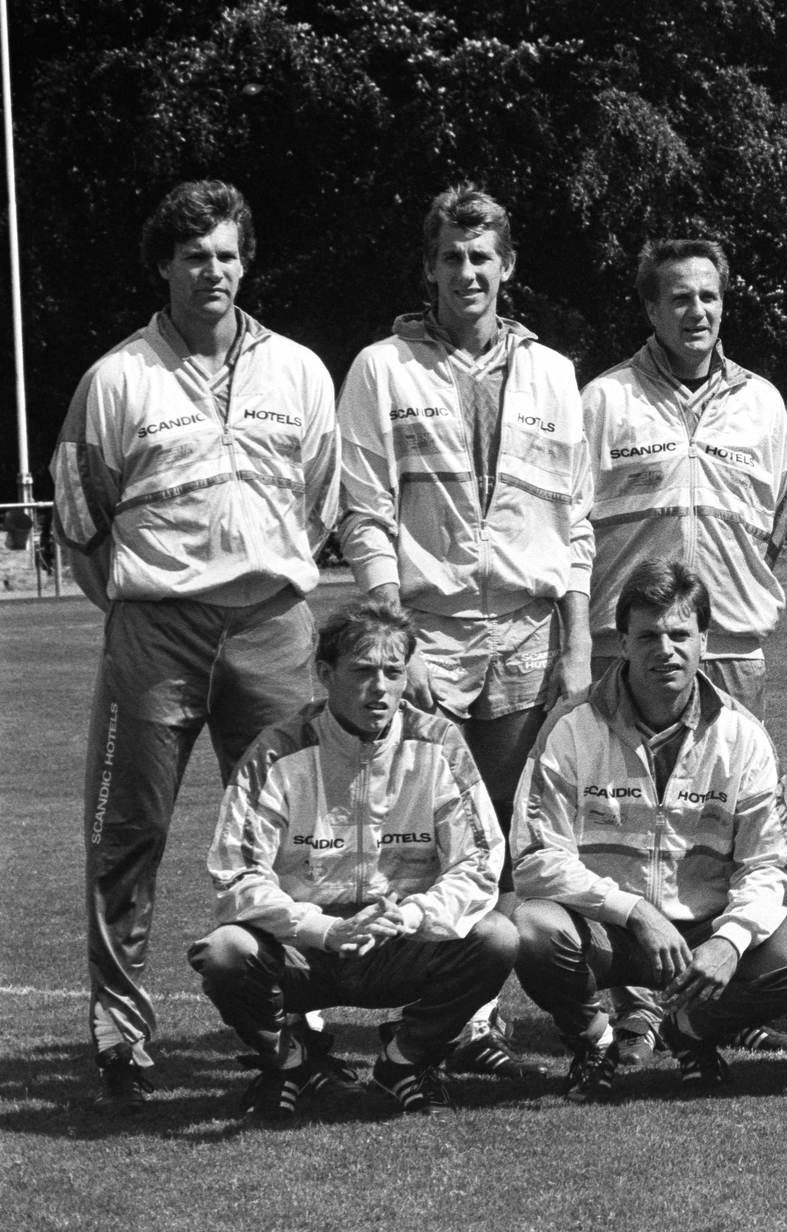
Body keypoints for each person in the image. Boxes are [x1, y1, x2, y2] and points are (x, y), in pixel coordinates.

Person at [51, 179, 338, 1108]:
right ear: (164, 266)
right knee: (129, 836)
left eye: (224, 253)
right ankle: (121, 1038)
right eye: (191, 255)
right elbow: (81, 522)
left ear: (244, 259)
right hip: (156, 633)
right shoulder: (118, 377)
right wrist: (142, 608)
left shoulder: (298, 369)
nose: (210, 270)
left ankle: (298, 1031)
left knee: (297, 837)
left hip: (271, 627)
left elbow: (320, 499)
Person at [338, 185, 592, 1073]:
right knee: (426, 836)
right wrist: (394, 638)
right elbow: (364, 514)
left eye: (483, 256)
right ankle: (440, 1016)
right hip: (430, 635)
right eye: (452, 257)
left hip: (526, 636)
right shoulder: (382, 368)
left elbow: (577, 523)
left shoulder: (556, 374)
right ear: (431, 268)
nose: (468, 271)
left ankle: (481, 1018)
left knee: (513, 843)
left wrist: (580, 642)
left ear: (508, 265)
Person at [580, 237, 787, 1061]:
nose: (697, 313)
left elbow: (774, 519)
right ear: (650, 308)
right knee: (629, 826)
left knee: (734, 827)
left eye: (709, 297)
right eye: (679, 299)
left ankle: (725, 995)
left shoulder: (764, 405)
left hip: (733, 643)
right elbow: (576, 523)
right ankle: (637, 1004)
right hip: (629, 646)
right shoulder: (604, 400)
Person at [187, 602, 518, 1119]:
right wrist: (321, 929)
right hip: (305, 948)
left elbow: (479, 863)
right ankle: (290, 1064)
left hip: (400, 939)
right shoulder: (275, 752)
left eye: (394, 672)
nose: (380, 688)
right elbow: (237, 874)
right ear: (324, 674)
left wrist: (409, 915)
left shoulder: (439, 743)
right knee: (225, 951)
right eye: (362, 671)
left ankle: (404, 1062)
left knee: (497, 936)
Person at [511, 561, 787, 1101]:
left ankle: (691, 1032)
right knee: (534, 930)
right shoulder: (571, 727)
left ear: (704, 641)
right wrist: (633, 911)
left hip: (704, 930)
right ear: (625, 644)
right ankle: (594, 1040)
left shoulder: (743, 736)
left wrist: (731, 938)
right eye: (648, 635)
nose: (666, 649)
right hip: (610, 930)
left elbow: (773, 863)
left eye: (680, 634)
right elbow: (536, 855)